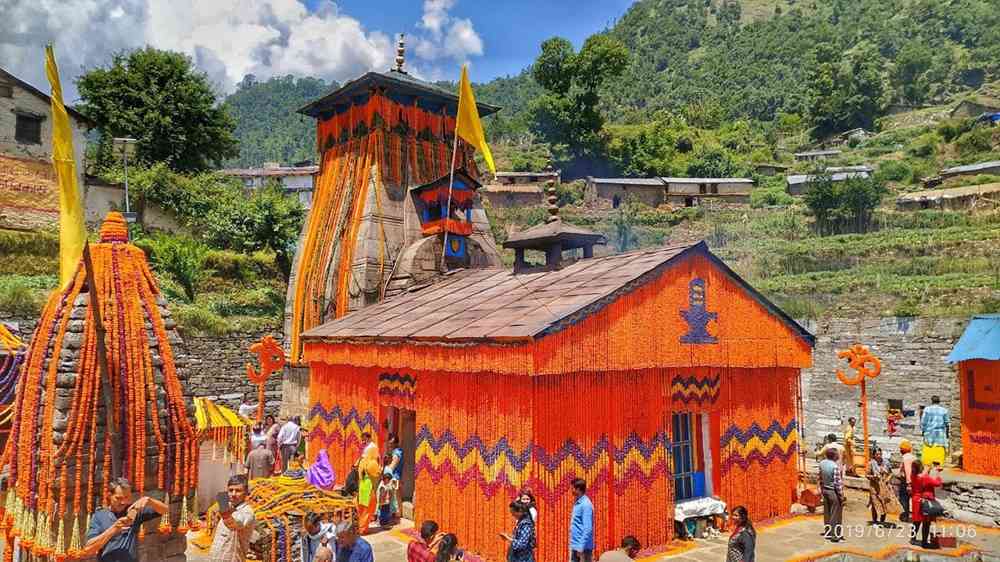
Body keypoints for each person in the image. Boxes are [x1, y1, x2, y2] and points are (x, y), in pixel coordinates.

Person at [82, 477, 168, 562]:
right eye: (119, 498)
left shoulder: (134, 511)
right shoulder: (99, 516)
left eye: (126, 497)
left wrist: (149, 500)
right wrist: (114, 529)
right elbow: (89, 549)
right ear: (109, 495)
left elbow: (165, 510)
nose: (123, 502)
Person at [209, 475, 256, 562]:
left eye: (238, 491)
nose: (233, 494)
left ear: (246, 493)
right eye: (230, 490)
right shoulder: (230, 506)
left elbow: (233, 524)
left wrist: (223, 505)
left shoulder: (247, 512)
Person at [909, 459, 944, 549]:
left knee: (916, 521)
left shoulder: (913, 475)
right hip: (924, 500)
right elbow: (937, 483)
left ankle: (913, 539)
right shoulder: (925, 478)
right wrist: (937, 474)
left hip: (916, 499)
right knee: (926, 523)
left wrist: (928, 470)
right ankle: (924, 542)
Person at [355, 434, 381, 533]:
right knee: (367, 507)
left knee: (362, 507)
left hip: (363, 486)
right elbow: (376, 473)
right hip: (368, 487)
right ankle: (363, 528)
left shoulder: (364, 462)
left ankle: (361, 527)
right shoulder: (371, 463)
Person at [866, 446, 898, 526]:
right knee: (875, 503)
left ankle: (882, 521)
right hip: (874, 487)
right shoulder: (871, 463)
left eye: (880, 454)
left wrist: (888, 479)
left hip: (884, 487)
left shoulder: (886, 462)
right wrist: (873, 477)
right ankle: (875, 521)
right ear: (874, 455)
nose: (879, 456)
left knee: (884, 503)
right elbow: (867, 475)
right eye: (877, 454)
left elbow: (891, 473)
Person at [819, 448, 845, 542]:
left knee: (827, 513)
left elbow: (820, 478)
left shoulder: (822, 464)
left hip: (825, 490)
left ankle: (828, 532)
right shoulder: (834, 466)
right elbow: (837, 484)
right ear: (834, 456)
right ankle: (835, 536)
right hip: (833, 492)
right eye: (837, 454)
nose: (838, 455)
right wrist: (841, 496)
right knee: (835, 514)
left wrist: (822, 490)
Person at [569, 478, 594, 562]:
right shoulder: (578, 502)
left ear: (578, 489)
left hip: (583, 548)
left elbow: (588, 528)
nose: (571, 490)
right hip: (576, 545)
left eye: (572, 488)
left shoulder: (586, 505)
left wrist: (581, 547)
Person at [921, 396, 950, 466]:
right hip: (940, 434)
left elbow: (923, 422)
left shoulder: (927, 409)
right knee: (939, 451)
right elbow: (947, 423)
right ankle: (938, 467)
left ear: (932, 401)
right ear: (939, 401)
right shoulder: (944, 410)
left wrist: (923, 431)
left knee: (928, 450)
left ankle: (928, 465)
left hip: (929, 434)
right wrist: (947, 434)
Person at [385, 434, 404, 519]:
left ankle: (397, 514)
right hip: (396, 476)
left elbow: (393, 466)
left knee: (395, 496)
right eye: (390, 443)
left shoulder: (397, 453)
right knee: (396, 495)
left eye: (392, 443)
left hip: (395, 477)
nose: (390, 445)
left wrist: (385, 469)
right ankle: (398, 514)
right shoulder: (397, 451)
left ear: (396, 443)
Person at [897, 440, 917, 522]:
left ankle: (904, 516)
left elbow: (908, 471)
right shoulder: (914, 457)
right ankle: (916, 516)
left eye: (900, 449)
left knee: (904, 499)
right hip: (915, 481)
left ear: (902, 450)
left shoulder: (905, 458)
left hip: (906, 481)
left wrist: (908, 484)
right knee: (914, 499)